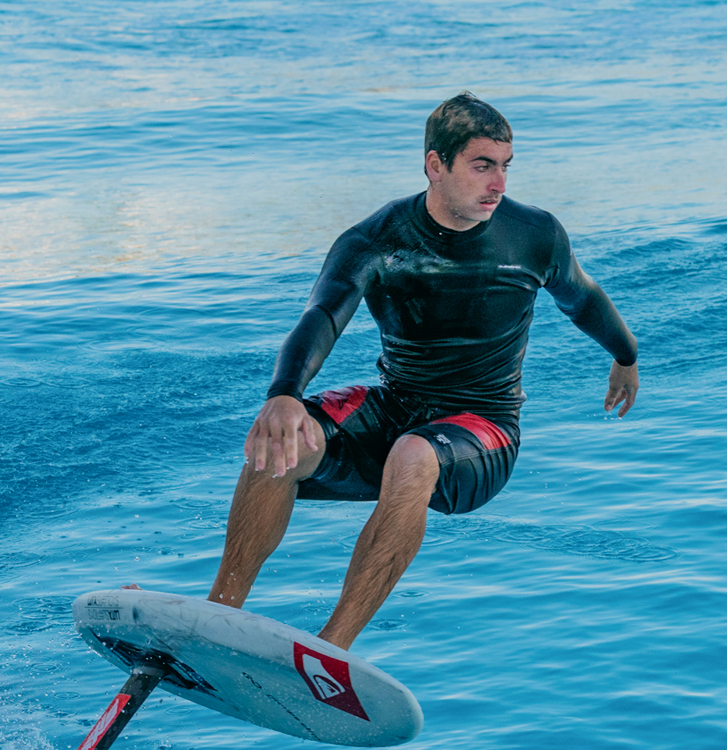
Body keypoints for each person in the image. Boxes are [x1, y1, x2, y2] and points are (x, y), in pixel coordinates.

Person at [207, 93, 639, 650]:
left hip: (483, 430)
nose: (498, 184)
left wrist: (626, 356)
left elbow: (581, 298)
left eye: (505, 166)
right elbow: (322, 315)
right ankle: (216, 617)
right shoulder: (377, 239)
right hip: (396, 405)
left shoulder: (535, 235)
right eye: (482, 165)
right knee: (284, 437)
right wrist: (285, 394)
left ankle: (330, 650)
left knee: (414, 454)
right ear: (436, 164)